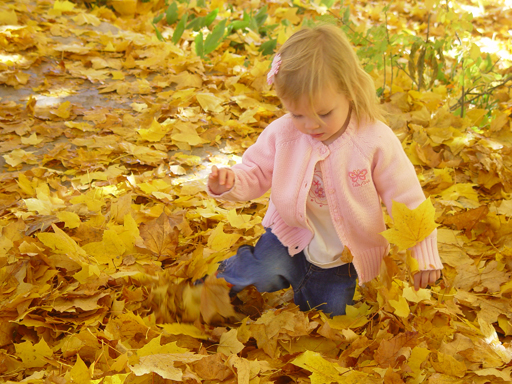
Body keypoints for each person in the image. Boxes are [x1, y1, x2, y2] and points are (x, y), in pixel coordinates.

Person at [206, 24, 443, 316]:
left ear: (350, 91)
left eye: (324, 113)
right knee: (254, 271)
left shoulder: (374, 140)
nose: (310, 125)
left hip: (341, 261)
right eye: (298, 114)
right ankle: (199, 297)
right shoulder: (283, 134)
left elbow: (408, 201)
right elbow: (255, 172)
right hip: (288, 238)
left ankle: (314, 297)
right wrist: (230, 183)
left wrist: (424, 255)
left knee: (329, 316)